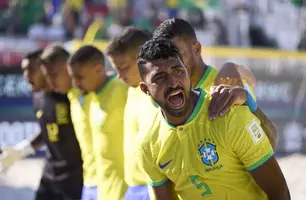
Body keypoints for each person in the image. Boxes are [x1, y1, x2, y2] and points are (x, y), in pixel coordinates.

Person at [106, 26, 266, 200]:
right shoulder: (140, 91)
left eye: (177, 54)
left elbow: (266, 143)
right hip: (144, 185)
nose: (171, 79)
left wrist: (239, 80)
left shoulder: (218, 89)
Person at [136, 37, 290, 200]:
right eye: (159, 78)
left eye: (178, 71)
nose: (173, 82)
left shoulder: (229, 115)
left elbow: (279, 192)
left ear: (187, 71)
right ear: (145, 89)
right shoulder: (148, 143)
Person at [153, 18, 278, 149]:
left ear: (196, 49)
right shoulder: (165, 92)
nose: (170, 63)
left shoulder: (228, 85)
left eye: (177, 53)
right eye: (163, 57)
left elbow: (268, 143)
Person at [0, 49, 83, 200]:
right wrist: (22, 150)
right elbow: (49, 130)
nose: (26, 75)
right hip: (50, 176)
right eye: (24, 70)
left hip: (76, 180)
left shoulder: (70, 94)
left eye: (31, 69)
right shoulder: (38, 97)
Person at [67, 45, 128, 200]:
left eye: (79, 77)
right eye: (72, 77)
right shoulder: (91, 96)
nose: (75, 83)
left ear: (99, 69)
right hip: (99, 188)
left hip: (125, 190)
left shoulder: (123, 89)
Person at [39, 44, 97, 200]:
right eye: (47, 76)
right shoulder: (62, 96)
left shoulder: (90, 95)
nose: (50, 81)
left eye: (54, 74)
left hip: (84, 182)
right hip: (56, 178)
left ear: (68, 68)